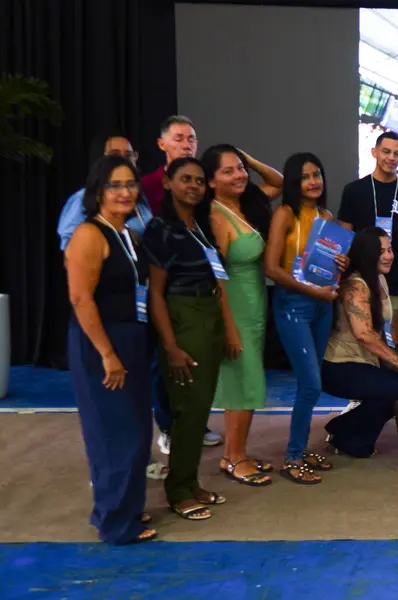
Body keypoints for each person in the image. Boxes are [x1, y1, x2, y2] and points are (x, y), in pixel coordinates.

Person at [64, 155, 156, 544]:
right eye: (115, 185)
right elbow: (81, 298)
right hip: (104, 342)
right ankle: (116, 524)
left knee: (135, 431)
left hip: (131, 339)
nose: (124, 192)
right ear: (97, 192)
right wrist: (107, 353)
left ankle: (122, 508)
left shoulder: (127, 234)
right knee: (113, 433)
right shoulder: (89, 234)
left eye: (130, 184)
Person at [142, 157, 231, 519]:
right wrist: (171, 345)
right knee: (188, 408)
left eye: (198, 180)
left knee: (201, 406)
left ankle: (190, 481)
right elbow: (156, 294)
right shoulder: (160, 229)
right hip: (181, 316)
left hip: (206, 314)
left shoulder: (199, 225)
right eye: (185, 179)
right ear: (167, 183)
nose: (193, 186)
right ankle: (178, 492)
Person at [202, 144, 281, 486]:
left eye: (240, 169)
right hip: (234, 310)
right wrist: (228, 328)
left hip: (253, 307)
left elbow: (277, 182)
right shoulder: (217, 216)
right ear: (210, 181)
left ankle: (236, 454)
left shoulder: (245, 204)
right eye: (228, 171)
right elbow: (214, 278)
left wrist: (246, 157)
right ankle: (234, 458)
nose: (239, 175)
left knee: (246, 383)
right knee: (241, 385)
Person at [263, 153, 344, 484]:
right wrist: (312, 292)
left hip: (323, 304)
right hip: (294, 304)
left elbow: (326, 267)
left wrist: (340, 264)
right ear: (294, 183)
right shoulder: (284, 214)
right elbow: (271, 268)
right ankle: (293, 456)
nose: (314, 181)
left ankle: (300, 448)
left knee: (313, 383)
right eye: (305, 177)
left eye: (318, 175)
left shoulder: (326, 216)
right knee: (310, 383)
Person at [322, 228, 398, 458]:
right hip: (339, 364)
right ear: (366, 254)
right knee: (392, 389)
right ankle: (346, 435)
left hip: (368, 361)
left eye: (390, 250)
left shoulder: (379, 279)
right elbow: (364, 334)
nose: (389, 256)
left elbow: (388, 327)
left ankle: (343, 430)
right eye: (381, 252)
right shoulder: (356, 286)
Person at [340, 131, 398, 347]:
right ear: (374, 152)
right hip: (360, 281)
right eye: (386, 151)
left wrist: (396, 265)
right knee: (364, 341)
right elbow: (345, 237)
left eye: (397, 154)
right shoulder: (354, 190)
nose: (391, 158)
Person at [58, 134, 154, 249]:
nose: (123, 160)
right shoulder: (83, 197)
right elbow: (70, 247)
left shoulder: (138, 196)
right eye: (115, 155)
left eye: (128, 155)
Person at [141, 115, 200, 215]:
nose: (187, 146)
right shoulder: (147, 185)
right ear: (161, 144)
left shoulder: (205, 182)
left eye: (191, 140)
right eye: (178, 139)